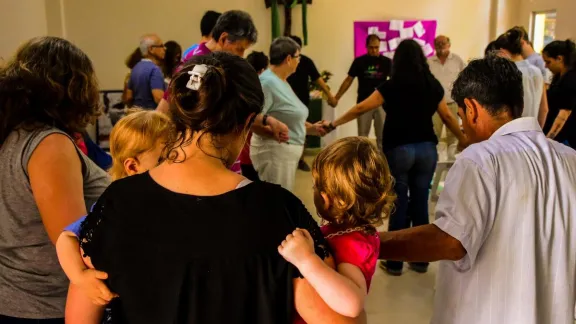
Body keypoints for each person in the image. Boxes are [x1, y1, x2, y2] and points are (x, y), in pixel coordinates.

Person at [66, 52, 365, 324]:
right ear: (247, 122)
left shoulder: (117, 202)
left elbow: (80, 316)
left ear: (178, 115)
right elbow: (340, 319)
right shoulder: (277, 211)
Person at [378, 55, 576, 324]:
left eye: (460, 117)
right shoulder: (569, 158)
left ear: (471, 108)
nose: (463, 128)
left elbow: (450, 241)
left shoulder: (481, 159)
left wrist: (370, 244)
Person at [323, 39, 466, 276]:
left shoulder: (390, 86)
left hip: (399, 150)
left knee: (399, 201)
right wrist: (465, 140)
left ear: (397, 61)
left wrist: (333, 124)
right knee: (421, 201)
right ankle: (421, 262)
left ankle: (395, 263)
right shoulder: (432, 85)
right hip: (426, 149)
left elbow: (360, 108)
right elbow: (448, 118)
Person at [0, 36, 109, 323]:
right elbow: (72, 238)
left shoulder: (14, 136)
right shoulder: (48, 144)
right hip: (48, 305)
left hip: (20, 298)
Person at [57, 109, 171, 323]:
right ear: (132, 166)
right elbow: (67, 238)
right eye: (164, 159)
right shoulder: (115, 205)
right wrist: (81, 277)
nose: (175, 167)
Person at [279, 137, 395, 321]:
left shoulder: (351, 243)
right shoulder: (352, 231)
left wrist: (305, 259)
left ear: (328, 199)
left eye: (315, 187)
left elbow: (352, 303)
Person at [250, 37, 326, 191]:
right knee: (276, 205)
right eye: (298, 57)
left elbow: (286, 116)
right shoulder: (268, 82)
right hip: (275, 153)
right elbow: (252, 119)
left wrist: (312, 129)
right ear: (289, 59)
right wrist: (273, 134)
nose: (300, 61)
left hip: (285, 153)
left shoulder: (281, 81)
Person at [287, 35, 337, 172]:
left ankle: (300, 159)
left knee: (301, 131)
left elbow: (318, 79)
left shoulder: (306, 62)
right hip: (285, 103)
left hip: (301, 103)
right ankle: (289, 159)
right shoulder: (282, 62)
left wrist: (330, 96)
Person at [334, 34, 391, 151]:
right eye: (371, 47)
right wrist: (337, 97)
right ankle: (363, 163)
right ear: (366, 47)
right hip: (364, 102)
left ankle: (382, 164)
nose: (374, 50)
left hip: (381, 104)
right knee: (362, 137)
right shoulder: (359, 61)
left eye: (376, 47)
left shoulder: (387, 62)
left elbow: (396, 81)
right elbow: (348, 80)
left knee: (382, 137)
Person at [494, 29, 548, 127]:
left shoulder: (506, 73)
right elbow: (544, 109)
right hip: (532, 131)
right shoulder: (537, 71)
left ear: (502, 51)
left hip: (512, 131)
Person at [428, 35, 466, 160]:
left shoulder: (457, 60)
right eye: (437, 43)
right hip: (434, 106)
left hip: (453, 103)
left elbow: (466, 78)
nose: (440, 45)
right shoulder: (428, 62)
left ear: (449, 45)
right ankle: (435, 165)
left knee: (453, 137)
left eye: (443, 43)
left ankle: (451, 165)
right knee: (434, 136)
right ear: (434, 45)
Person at [241, 51, 270, 181]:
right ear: (263, 70)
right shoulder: (260, 90)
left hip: (240, 153)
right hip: (254, 153)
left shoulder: (241, 87)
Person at [542, 39, 576, 148]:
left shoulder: (571, 80)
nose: (546, 66)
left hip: (565, 138)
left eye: (548, 62)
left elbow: (564, 115)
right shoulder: (559, 77)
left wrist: (548, 140)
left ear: (559, 59)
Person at [124, 34, 166, 109]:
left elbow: (128, 97)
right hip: (151, 116)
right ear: (151, 49)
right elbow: (158, 98)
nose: (164, 49)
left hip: (137, 114)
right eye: (161, 46)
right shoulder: (154, 69)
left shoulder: (135, 68)